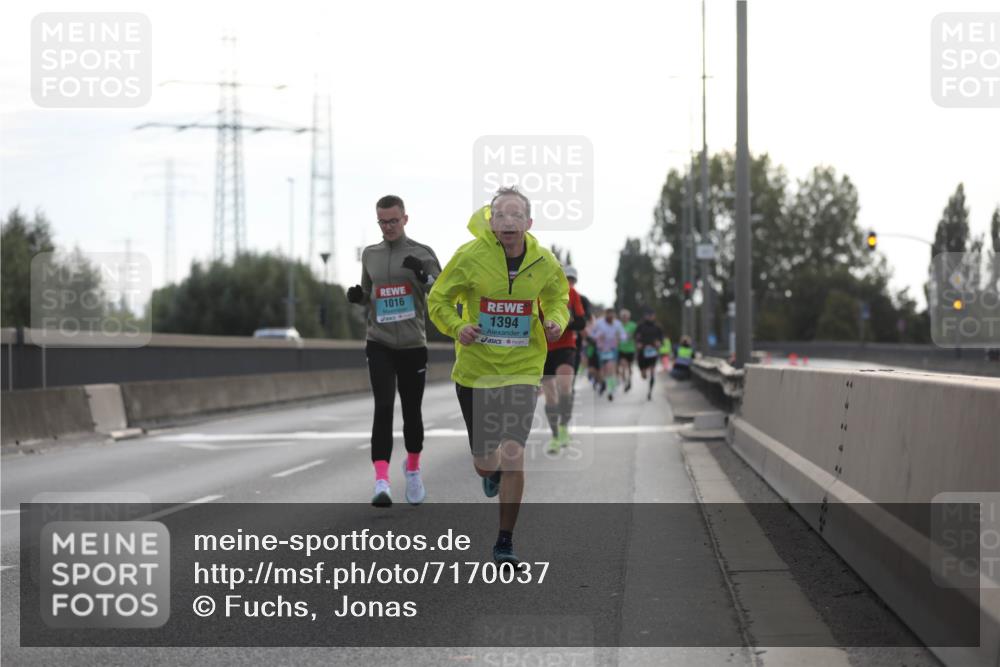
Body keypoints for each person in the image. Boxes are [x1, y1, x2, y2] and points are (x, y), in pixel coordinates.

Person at [428, 187, 568, 566]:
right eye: (500, 216)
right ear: (491, 221)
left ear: (528, 222)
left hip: (523, 369)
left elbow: (558, 297)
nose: (507, 222)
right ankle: (490, 475)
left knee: (514, 454)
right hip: (476, 372)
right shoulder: (469, 257)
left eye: (515, 216)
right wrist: (458, 326)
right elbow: (438, 299)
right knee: (485, 463)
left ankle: (504, 542)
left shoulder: (543, 261)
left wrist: (555, 320)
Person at [347, 195, 441, 508]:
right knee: (383, 406)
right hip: (379, 342)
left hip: (413, 344)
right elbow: (368, 293)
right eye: (382, 221)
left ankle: (412, 469)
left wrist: (423, 274)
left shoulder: (422, 253)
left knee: (412, 411)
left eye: (393, 221)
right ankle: (381, 481)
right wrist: (358, 296)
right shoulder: (370, 255)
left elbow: (442, 292)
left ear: (405, 219)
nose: (388, 227)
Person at [541, 265, 587, 454]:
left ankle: (564, 427)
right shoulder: (536, 292)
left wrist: (563, 323)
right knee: (550, 396)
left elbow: (581, 322)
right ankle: (554, 436)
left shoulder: (571, 293)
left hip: (565, 346)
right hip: (543, 349)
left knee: (565, 387)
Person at [591, 308, 627, 401]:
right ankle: (603, 383)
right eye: (608, 315)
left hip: (612, 349)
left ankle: (611, 390)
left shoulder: (617, 324)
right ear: (605, 315)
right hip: (601, 349)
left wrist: (619, 337)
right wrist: (598, 336)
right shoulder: (599, 323)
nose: (610, 318)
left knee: (611, 369)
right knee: (603, 371)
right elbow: (592, 334)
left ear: (614, 316)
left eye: (612, 316)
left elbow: (624, 336)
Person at [633, 309, 666, 401]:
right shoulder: (640, 326)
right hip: (642, 352)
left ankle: (650, 392)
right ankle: (643, 373)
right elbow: (635, 336)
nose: (650, 317)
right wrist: (638, 343)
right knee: (643, 375)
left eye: (651, 315)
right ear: (645, 316)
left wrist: (659, 343)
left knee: (652, 372)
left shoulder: (658, 327)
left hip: (653, 352)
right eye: (648, 315)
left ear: (654, 316)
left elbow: (662, 338)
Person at [617, 308, 637, 392]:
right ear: (621, 317)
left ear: (629, 317)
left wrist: (631, 336)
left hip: (631, 349)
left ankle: (629, 380)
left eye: (626, 316)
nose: (624, 318)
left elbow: (637, 336)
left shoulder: (633, 325)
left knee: (629, 367)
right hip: (621, 349)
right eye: (623, 316)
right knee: (623, 366)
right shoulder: (618, 325)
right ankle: (625, 382)